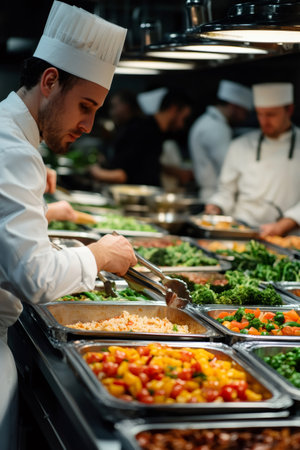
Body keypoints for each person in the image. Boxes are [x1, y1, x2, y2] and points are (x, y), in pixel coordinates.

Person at [0, 0, 138, 348]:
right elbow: (35, 279)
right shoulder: (15, 151)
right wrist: (101, 253)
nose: (89, 126)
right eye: (84, 107)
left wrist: (41, 211)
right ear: (50, 82)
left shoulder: (10, 134)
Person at [205, 82, 300, 237]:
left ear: (289, 110)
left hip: (287, 238)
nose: (264, 121)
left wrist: (285, 224)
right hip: (242, 233)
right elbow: (226, 191)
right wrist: (216, 206)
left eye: (271, 114)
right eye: (259, 114)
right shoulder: (240, 146)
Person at [89, 89, 192, 186]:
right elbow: (123, 174)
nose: (181, 125)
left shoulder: (157, 132)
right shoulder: (141, 130)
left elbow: (143, 164)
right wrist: (95, 171)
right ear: (173, 109)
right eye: (184, 118)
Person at [188, 80, 252, 202]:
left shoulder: (208, 121)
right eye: (245, 113)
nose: (244, 118)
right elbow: (227, 166)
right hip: (215, 197)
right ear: (234, 107)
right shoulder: (216, 128)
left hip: (211, 195)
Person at [89, 89, 144, 184]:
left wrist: (95, 171)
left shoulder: (137, 130)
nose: (111, 112)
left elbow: (123, 175)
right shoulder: (124, 128)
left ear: (126, 107)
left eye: (114, 107)